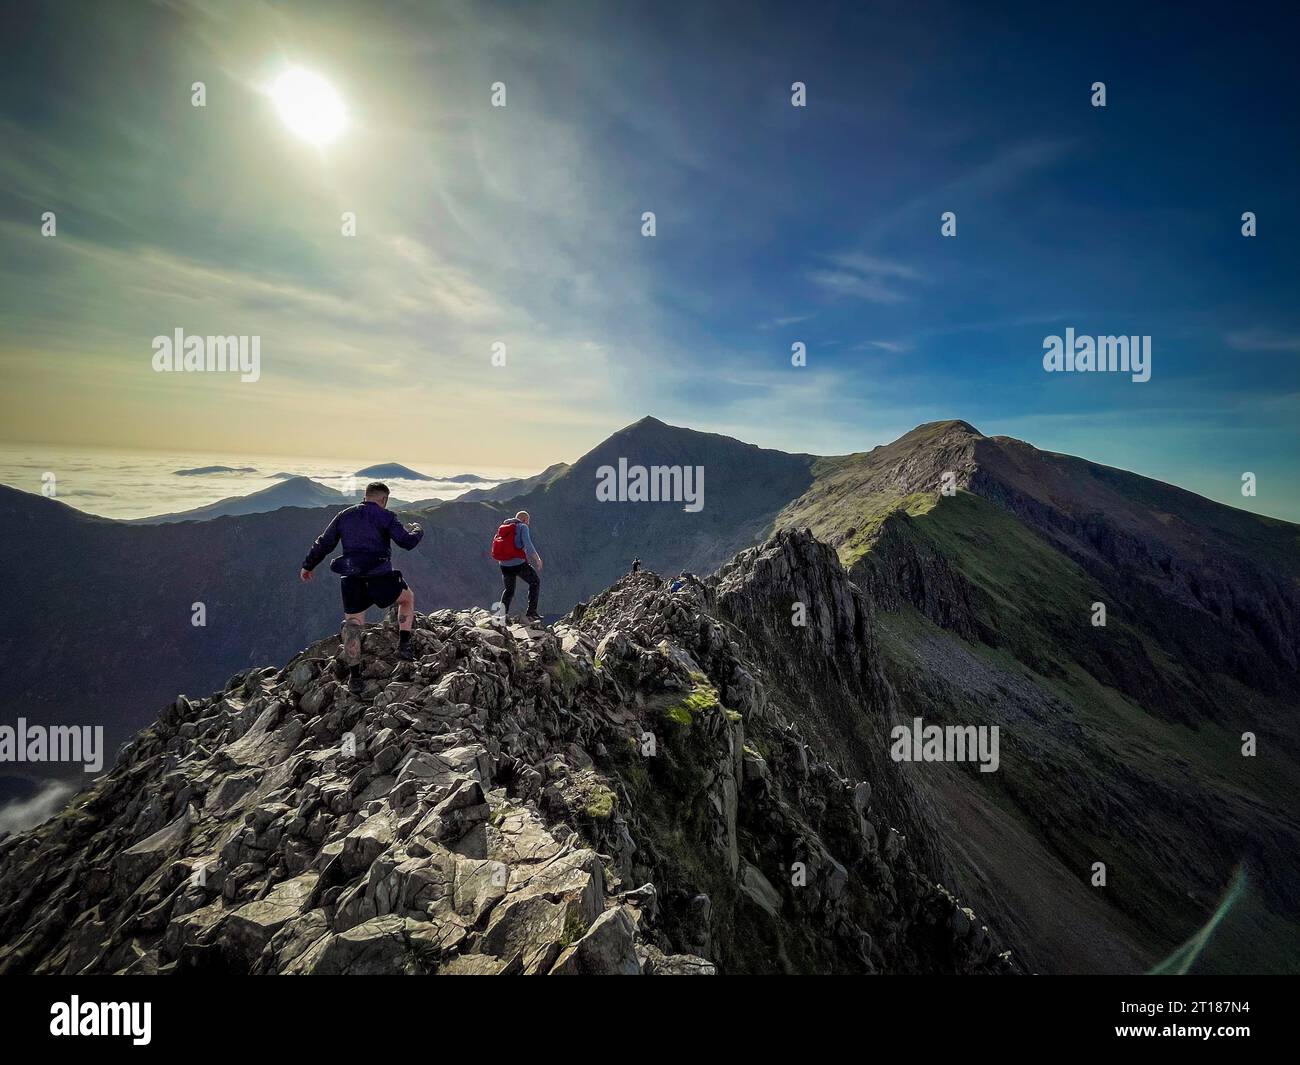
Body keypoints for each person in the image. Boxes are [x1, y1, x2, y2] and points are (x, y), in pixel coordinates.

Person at [300, 481, 424, 693]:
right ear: (384, 499)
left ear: (365, 496)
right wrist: (417, 530)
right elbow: (407, 542)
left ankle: (355, 678)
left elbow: (324, 543)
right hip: (380, 576)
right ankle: (404, 646)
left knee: (353, 625)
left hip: (351, 578)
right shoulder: (387, 516)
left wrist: (308, 566)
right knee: (407, 598)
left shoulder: (344, 515)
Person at [490, 510, 543, 623]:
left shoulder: (504, 526)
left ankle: (501, 616)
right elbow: (528, 544)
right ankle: (531, 613)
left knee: (509, 590)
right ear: (524, 519)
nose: (528, 524)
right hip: (518, 563)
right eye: (528, 521)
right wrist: (537, 559)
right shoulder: (523, 527)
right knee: (535, 582)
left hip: (504, 564)